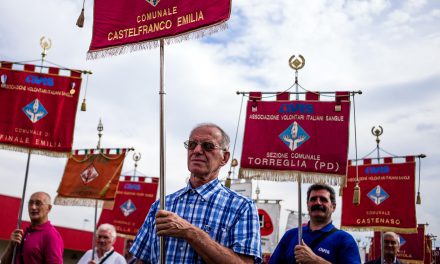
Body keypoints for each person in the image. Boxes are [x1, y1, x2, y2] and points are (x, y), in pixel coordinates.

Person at [130, 123, 262, 263]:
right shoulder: (162, 205)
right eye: (192, 145)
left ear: (224, 158)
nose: (197, 150)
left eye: (208, 146)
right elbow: (141, 260)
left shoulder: (241, 207)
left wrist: (190, 232)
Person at [269, 183, 360, 264]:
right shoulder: (290, 235)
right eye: (313, 199)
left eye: (323, 199)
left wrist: (315, 260)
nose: (318, 202)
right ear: (307, 205)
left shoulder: (344, 239)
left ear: (333, 207)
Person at [0, 191, 64, 263]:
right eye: (30, 203)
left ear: (49, 208)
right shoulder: (22, 233)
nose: (33, 207)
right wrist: (11, 245)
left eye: (38, 203)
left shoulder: (51, 235)